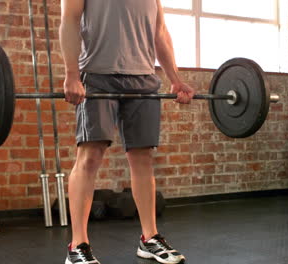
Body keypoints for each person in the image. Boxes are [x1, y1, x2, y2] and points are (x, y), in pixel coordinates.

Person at [59, 0, 195, 263]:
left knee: (142, 157)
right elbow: (70, 21)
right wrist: (72, 74)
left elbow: (160, 33)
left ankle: (149, 238)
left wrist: (175, 79)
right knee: (90, 156)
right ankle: (78, 245)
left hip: (143, 78)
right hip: (97, 76)